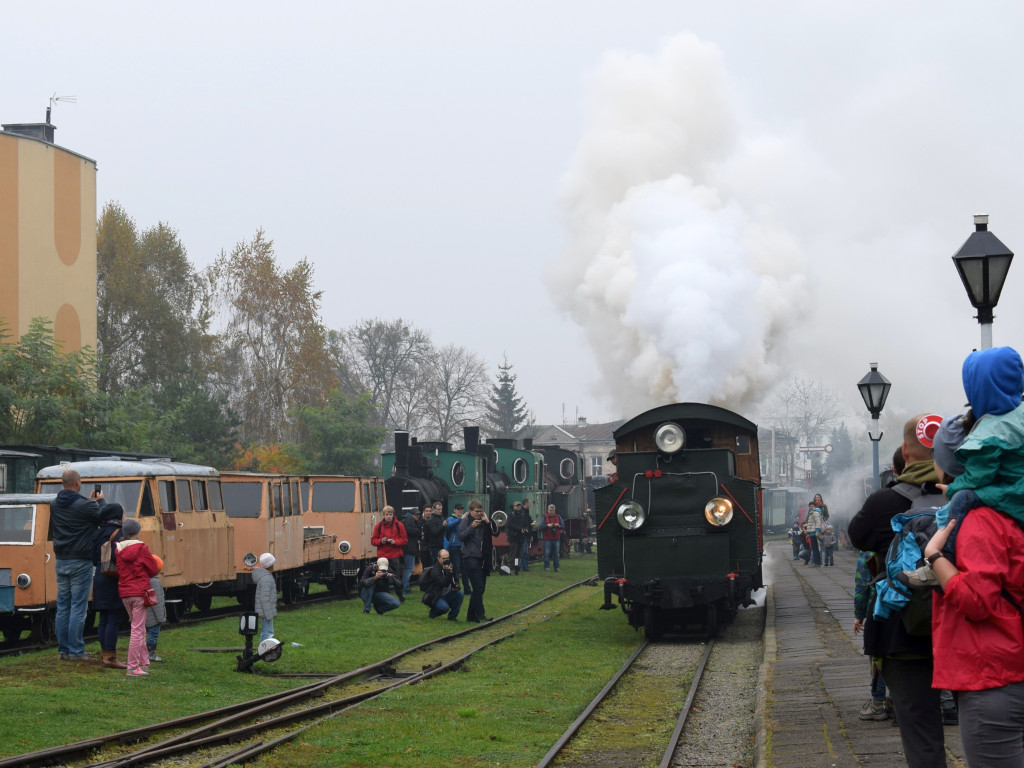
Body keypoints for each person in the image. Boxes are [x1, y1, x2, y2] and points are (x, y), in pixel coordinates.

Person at [924, 412, 1024, 767]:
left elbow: (977, 601)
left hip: (993, 676)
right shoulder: (1011, 509)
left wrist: (935, 556)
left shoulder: (980, 520)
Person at [848, 414, 948, 768]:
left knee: (921, 735)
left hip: (902, 634)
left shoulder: (881, 503)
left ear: (905, 451)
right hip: (962, 624)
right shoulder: (969, 499)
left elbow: (857, 539)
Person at [936, 346, 1024, 562]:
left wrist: (953, 488)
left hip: (1012, 493)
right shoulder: (1018, 414)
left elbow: (978, 476)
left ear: (978, 389)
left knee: (961, 499)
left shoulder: (992, 429)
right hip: (1018, 485)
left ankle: (943, 558)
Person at [117, 517, 162, 677]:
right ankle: (132, 667)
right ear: (137, 532)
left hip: (125, 593)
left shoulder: (119, 548)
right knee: (137, 629)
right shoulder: (141, 548)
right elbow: (152, 569)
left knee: (139, 628)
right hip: (138, 592)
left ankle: (144, 663)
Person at [854, 550, 888, 721]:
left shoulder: (868, 552)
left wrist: (859, 615)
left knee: (876, 656)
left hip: (878, 610)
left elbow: (861, 585)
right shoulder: (907, 539)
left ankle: (877, 703)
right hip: (906, 607)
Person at [92, 503, 127, 668]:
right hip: (113, 577)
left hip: (99, 575)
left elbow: (92, 556)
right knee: (114, 617)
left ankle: (105, 654)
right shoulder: (118, 533)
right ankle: (111, 657)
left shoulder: (98, 532)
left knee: (103, 618)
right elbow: (119, 556)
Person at [458, 500, 499, 622]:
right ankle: (480, 615)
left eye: (481, 511)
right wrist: (471, 527)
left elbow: (496, 532)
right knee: (478, 587)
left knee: (480, 589)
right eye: (477, 511)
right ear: (470, 511)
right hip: (471, 557)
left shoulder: (484, 521)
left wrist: (487, 520)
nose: (479, 514)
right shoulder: (466, 521)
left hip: (483, 557)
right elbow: (461, 536)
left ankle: (471, 617)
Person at [419, 549, 464, 621]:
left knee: (459, 594)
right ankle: (433, 613)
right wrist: (449, 572)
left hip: (447, 593)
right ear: (438, 558)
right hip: (436, 596)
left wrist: (456, 585)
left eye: (447, 558)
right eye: (443, 558)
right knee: (444, 608)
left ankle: (452, 617)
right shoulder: (435, 570)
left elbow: (455, 579)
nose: (446, 560)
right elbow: (444, 583)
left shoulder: (450, 565)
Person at [370, 506, 408, 572]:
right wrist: (381, 541)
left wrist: (395, 542)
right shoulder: (378, 526)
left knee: (395, 577)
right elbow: (373, 541)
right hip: (382, 557)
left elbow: (405, 540)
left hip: (395, 557)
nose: (388, 516)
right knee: (382, 577)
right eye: (387, 514)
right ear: (383, 515)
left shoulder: (399, 525)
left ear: (393, 515)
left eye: (390, 514)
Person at [253, 552, 278, 642]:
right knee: (268, 632)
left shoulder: (265, 577)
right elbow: (265, 598)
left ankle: (264, 648)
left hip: (266, 610)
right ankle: (264, 649)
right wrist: (269, 614)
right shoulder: (266, 579)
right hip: (266, 611)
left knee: (267, 631)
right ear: (270, 565)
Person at [401, 506, 424, 596]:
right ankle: (405, 588)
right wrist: (419, 532)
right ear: (412, 515)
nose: (418, 516)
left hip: (409, 548)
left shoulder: (409, 520)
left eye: (418, 514)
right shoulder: (409, 520)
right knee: (409, 569)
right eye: (416, 514)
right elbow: (409, 530)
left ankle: (405, 587)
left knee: (408, 568)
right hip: (409, 548)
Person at [445, 503, 468, 592]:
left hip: (464, 546)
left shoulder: (465, 519)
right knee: (456, 568)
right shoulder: (450, 519)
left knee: (465, 568)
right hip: (454, 546)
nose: (460, 511)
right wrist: (460, 519)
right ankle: (457, 586)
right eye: (458, 509)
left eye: (461, 509)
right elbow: (450, 526)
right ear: (454, 510)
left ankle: (467, 588)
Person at [145, 575, 167, 662]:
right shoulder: (155, 582)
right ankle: (151, 655)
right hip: (154, 616)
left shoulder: (147, 580)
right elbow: (156, 601)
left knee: (149, 635)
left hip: (148, 613)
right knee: (153, 635)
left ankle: (146, 654)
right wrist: (160, 617)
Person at [540, 504, 564, 572]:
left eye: (553, 510)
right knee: (547, 553)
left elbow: (563, 526)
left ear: (554, 510)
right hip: (547, 538)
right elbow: (541, 527)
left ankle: (556, 568)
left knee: (556, 554)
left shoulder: (558, 517)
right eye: (550, 510)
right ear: (548, 510)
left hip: (556, 538)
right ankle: (546, 567)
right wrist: (547, 526)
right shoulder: (544, 517)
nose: (552, 512)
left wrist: (558, 526)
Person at [506, 501, 528, 575]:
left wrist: (525, 529)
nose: (518, 507)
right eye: (516, 506)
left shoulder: (522, 515)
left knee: (518, 554)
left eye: (519, 506)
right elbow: (510, 525)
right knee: (513, 553)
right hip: (513, 537)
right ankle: (510, 568)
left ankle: (516, 568)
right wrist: (520, 529)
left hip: (520, 537)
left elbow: (525, 524)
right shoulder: (511, 515)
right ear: (514, 507)